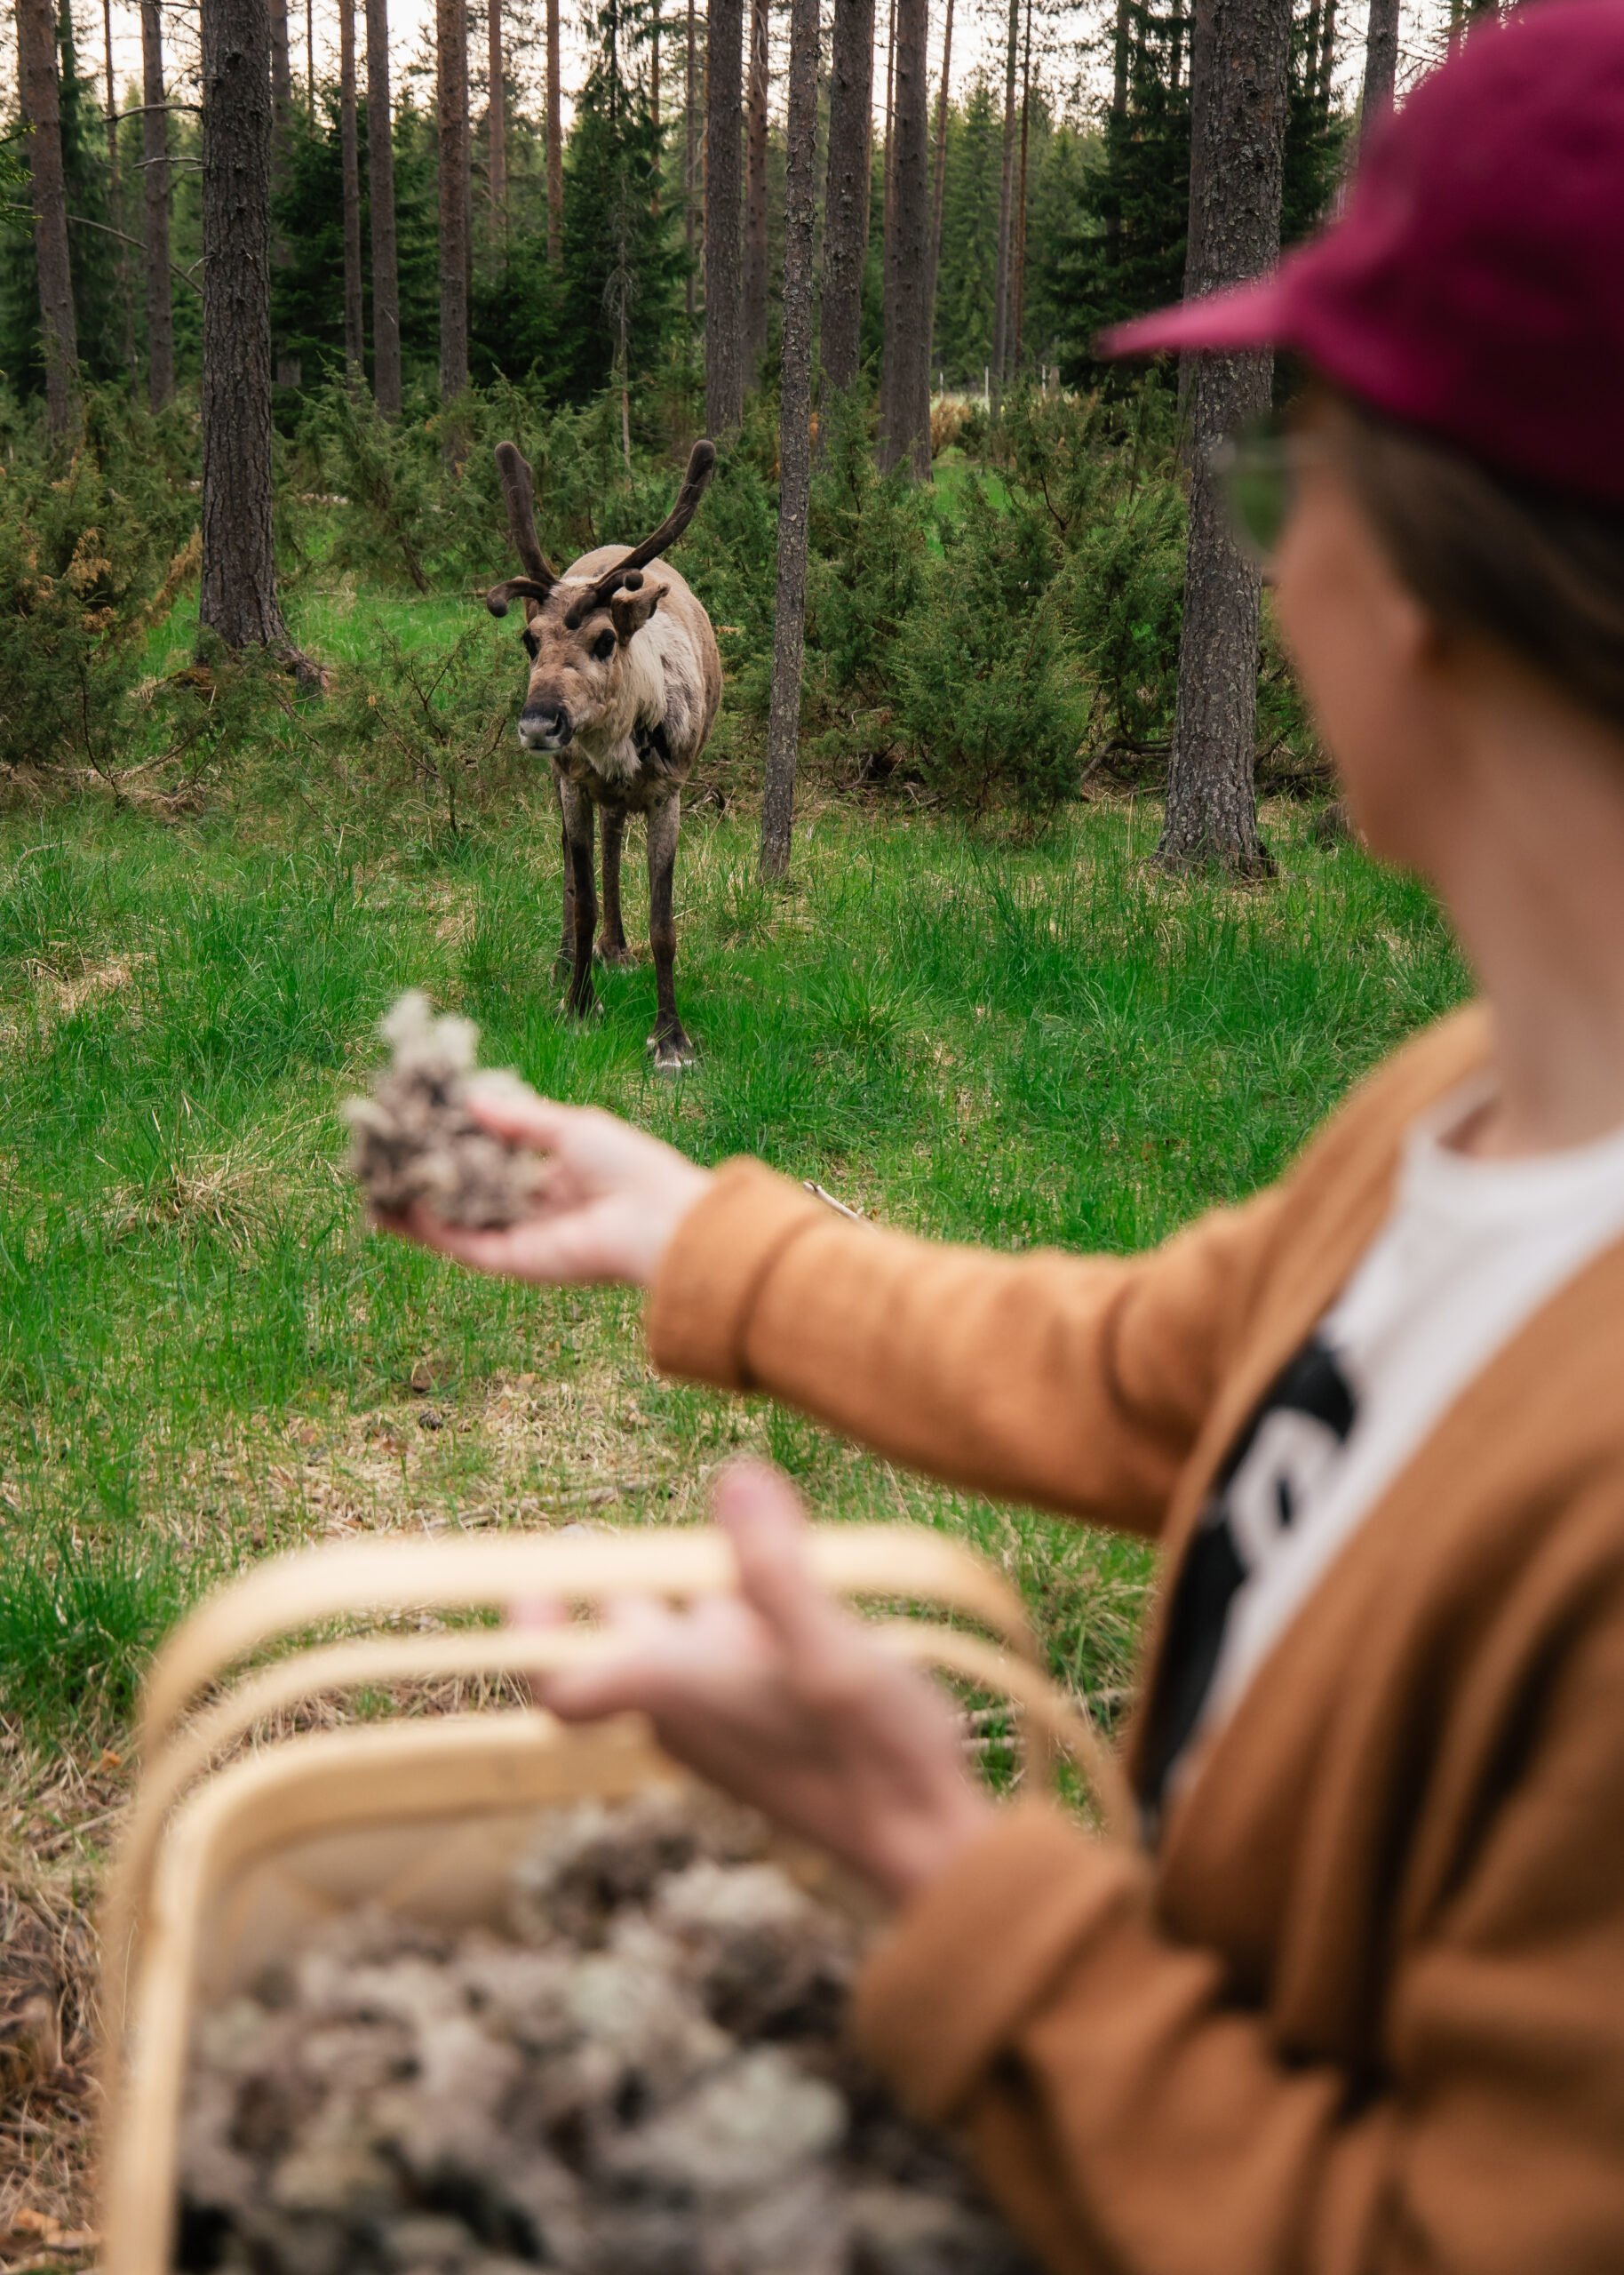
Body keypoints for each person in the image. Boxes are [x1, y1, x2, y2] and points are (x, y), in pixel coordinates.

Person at [385, 9, 1624, 2268]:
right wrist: (702, 1233)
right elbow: (1163, 1372)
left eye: (1296, 493)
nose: (1271, 570)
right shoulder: (1465, 1108)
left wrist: (933, 1864)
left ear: (1436, 593)